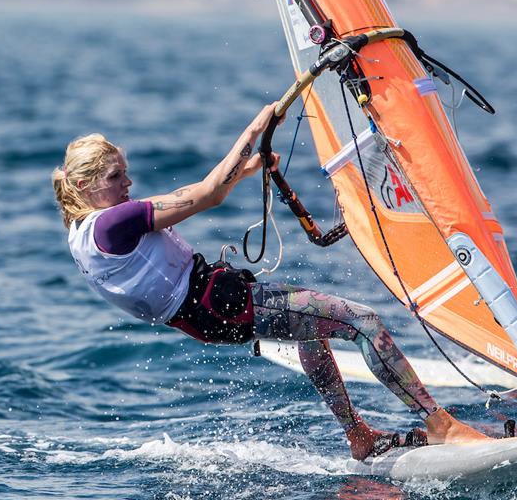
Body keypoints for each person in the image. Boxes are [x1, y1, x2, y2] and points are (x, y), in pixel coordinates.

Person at [51, 103, 486, 460]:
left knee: (311, 331)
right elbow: (208, 194)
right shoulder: (112, 223)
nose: (127, 183)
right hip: (223, 303)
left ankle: (358, 435)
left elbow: (199, 192)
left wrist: (249, 168)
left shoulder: (82, 236)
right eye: (115, 177)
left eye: (125, 173)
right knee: (363, 322)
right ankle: (441, 425)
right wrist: (259, 124)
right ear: (83, 184)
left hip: (204, 318)